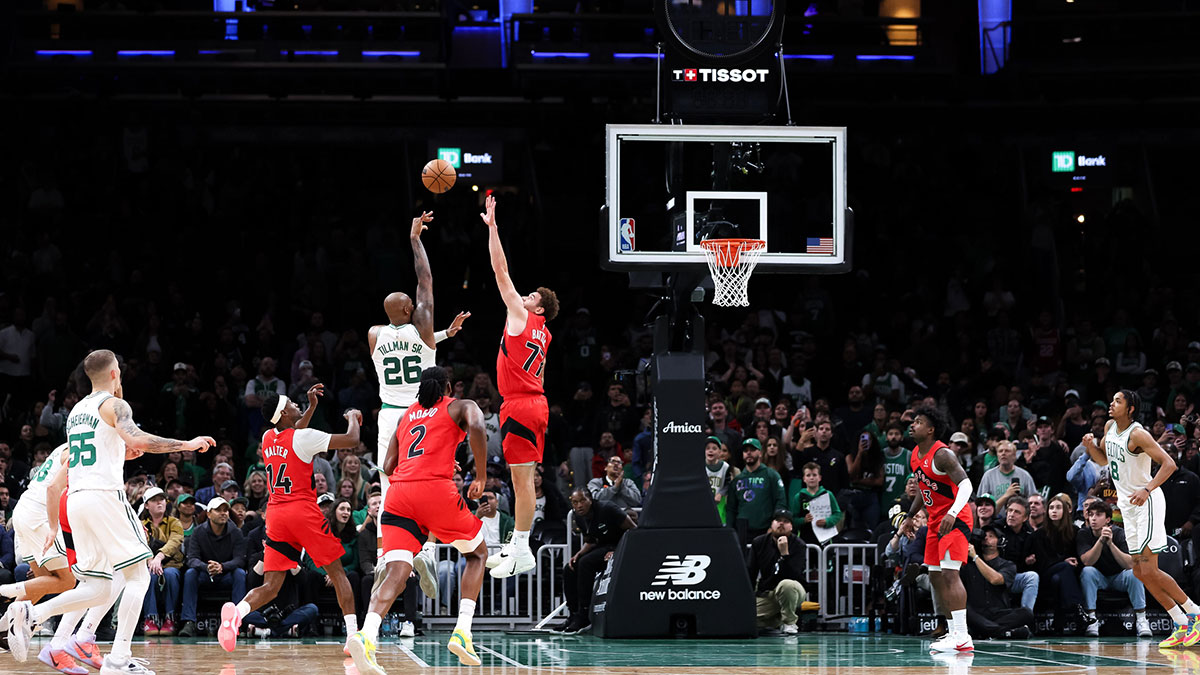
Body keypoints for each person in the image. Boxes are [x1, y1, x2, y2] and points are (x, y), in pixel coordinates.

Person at [4, 349, 215, 675]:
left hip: (76, 500)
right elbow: (139, 440)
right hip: (104, 495)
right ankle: (118, 660)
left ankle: (32, 615)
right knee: (139, 574)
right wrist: (186, 444)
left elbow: (93, 456)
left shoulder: (76, 411)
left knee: (100, 585)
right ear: (115, 373)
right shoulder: (114, 404)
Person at [347, 366, 490, 673]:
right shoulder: (460, 406)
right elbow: (478, 425)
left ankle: (367, 635)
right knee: (477, 554)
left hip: (398, 496)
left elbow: (387, 465)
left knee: (397, 572)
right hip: (435, 491)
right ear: (448, 386)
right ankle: (462, 631)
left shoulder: (405, 416)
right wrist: (481, 474)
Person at [214, 386, 364, 655]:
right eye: (293, 403)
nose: (298, 405)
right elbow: (352, 439)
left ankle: (236, 614)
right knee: (338, 572)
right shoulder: (303, 437)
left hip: (277, 515)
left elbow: (294, 431)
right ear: (284, 412)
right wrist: (353, 416)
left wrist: (311, 407)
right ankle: (353, 635)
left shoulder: (269, 437)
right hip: (302, 512)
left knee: (271, 586)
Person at [368, 211, 469, 601]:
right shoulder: (423, 324)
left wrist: (442, 334)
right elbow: (425, 279)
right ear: (410, 310)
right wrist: (415, 239)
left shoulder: (375, 333)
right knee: (427, 485)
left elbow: (413, 342)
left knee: (389, 487)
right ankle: (423, 549)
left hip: (388, 417)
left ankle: (386, 556)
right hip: (421, 415)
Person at [479, 194, 560, 579]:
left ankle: (523, 547)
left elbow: (500, 271)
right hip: (530, 402)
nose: (523, 297)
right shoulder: (543, 334)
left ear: (539, 308)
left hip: (522, 404)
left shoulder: (521, 317)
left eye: (532, 297)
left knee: (522, 481)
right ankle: (517, 543)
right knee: (518, 479)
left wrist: (493, 228)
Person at [1081, 390, 1200, 646]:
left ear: (1131, 408)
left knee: (1149, 568)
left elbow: (1168, 463)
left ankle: (1195, 614)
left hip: (1146, 502)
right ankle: (1179, 622)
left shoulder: (1138, 434)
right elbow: (1105, 460)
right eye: (1112, 400)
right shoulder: (1110, 427)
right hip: (1127, 505)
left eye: (1117, 401)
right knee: (1139, 571)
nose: (1111, 404)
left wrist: (1147, 489)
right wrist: (1091, 447)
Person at [898, 407, 975, 653]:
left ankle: (963, 635)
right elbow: (924, 488)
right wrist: (910, 516)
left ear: (930, 429)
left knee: (951, 574)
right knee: (934, 576)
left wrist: (952, 513)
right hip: (934, 521)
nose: (912, 425)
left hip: (956, 518)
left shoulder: (943, 454)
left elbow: (966, 485)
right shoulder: (914, 455)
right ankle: (952, 632)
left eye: (918, 422)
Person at [560, 488, 636, 635]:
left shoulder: (607, 508)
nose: (579, 505)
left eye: (582, 501)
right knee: (571, 567)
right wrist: (579, 553)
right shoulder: (579, 516)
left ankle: (584, 615)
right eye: (575, 502)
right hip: (602, 547)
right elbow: (591, 540)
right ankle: (573, 614)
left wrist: (617, 551)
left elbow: (632, 530)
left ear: (591, 499)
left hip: (619, 547)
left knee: (585, 564)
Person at [1075, 499, 1150, 637]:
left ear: (1108, 519)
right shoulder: (1083, 533)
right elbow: (1087, 561)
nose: (1093, 519)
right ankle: (1092, 620)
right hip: (1099, 578)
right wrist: (1101, 541)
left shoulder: (1119, 533)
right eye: (1091, 515)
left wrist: (1110, 544)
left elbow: (1129, 564)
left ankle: (1141, 619)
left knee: (1135, 572)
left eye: (1098, 515)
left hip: (1119, 577)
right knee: (1087, 572)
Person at [179, 498, 247, 638]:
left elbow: (240, 560)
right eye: (218, 510)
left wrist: (222, 567)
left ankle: (238, 622)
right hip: (205, 574)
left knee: (240, 574)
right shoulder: (198, 532)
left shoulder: (236, 532)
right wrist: (207, 567)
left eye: (225, 510)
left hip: (226, 574)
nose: (223, 513)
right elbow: (192, 559)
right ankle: (189, 622)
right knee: (190, 573)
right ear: (209, 514)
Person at [962, 525, 1035, 639]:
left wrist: (976, 557)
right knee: (962, 610)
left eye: (991, 536)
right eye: (985, 536)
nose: (986, 538)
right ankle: (1003, 633)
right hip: (976, 614)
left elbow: (996, 579)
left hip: (998, 614)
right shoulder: (968, 565)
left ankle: (987, 631)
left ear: (1000, 541)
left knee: (1027, 613)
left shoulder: (1008, 565)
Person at [748, 510, 808, 634]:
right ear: (772, 524)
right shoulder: (759, 542)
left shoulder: (799, 545)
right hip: (768, 592)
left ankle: (789, 623)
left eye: (786, 521)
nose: (781, 524)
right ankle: (777, 620)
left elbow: (794, 575)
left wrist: (785, 554)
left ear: (791, 526)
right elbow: (751, 572)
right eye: (778, 520)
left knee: (787, 584)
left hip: (794, 591)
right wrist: (749, 598)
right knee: (745, 618)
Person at [140, 487, 184, 637]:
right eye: (154, 500)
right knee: (148, 576)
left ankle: (170, 618)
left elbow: (175, 540)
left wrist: (159, 557)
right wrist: (150, 560)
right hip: (148, 564)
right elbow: (140, 544)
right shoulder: (141, 525)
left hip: (171, 564)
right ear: (146, 505)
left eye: (162, 499)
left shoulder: (175, 522)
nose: (159, 502)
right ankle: (150, 619)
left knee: (171, 574)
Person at [727, 439, 787, 546]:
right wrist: (730, 531)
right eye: (745, 451)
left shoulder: (771, 475)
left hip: (766, 529)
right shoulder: (737, 480)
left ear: (760, 452)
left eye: (752, 450)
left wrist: (774, 525)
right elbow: (731, 508)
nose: (748, 453)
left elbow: (780, 501)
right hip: (743, 531)